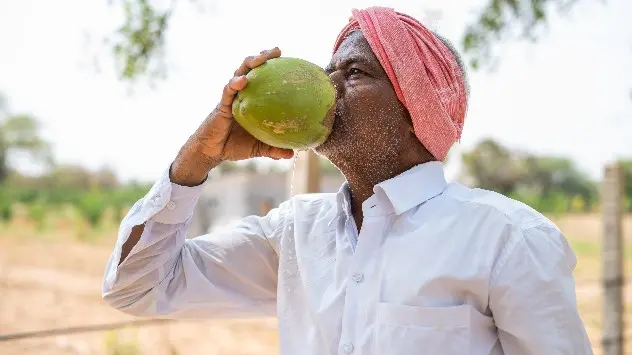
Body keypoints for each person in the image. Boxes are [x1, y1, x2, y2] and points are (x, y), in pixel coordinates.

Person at [102, 6, 594, 355]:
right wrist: (197, 158)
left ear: (413, 110)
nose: (326, 88)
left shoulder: (508, 239)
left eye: (354, 72)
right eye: (326, 71)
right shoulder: (295, 231)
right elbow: (137, 287)